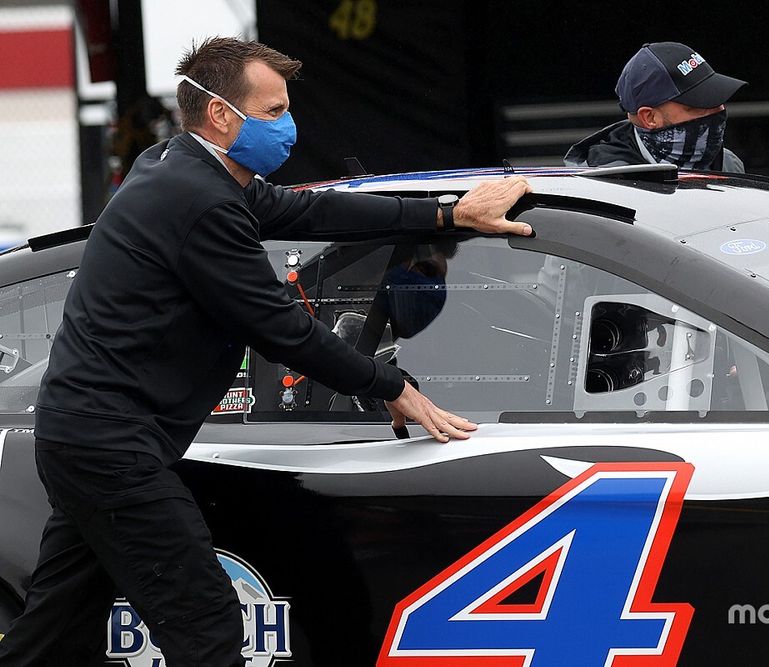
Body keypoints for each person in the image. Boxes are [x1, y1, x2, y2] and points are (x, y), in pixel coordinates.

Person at [0, 37, 531, 666]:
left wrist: (446, 217)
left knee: (53, 636)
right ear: (223, 115)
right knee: (208, 626)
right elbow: (284, 330)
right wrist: (393, 387)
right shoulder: (198, 201)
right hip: (113, 449)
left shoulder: (181, 168)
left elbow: (308, 211)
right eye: (273, 111)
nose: (287, 126)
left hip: (84, 438)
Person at [564, 41, 747, 172]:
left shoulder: (729, 164)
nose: (718, 111)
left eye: (719, 100)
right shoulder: (605, 185)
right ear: (650, 118)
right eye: (699, 105)